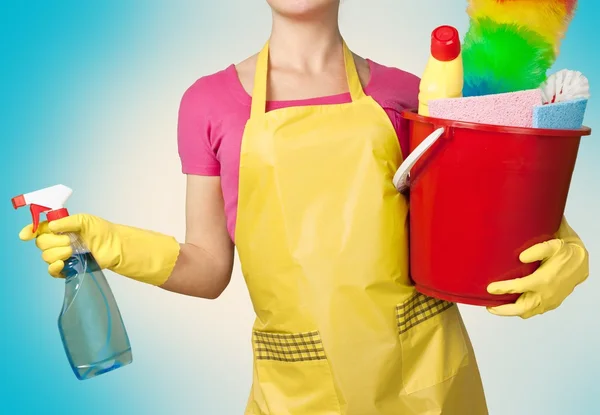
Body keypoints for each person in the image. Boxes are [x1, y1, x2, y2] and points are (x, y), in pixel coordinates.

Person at [20, 1, 589, 414]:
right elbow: (209, 268)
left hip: (427, 381)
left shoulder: (407, 93)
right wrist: (112, 244)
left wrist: (568, 246)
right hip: (297, 390)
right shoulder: (209, 103)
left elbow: (486, 208)